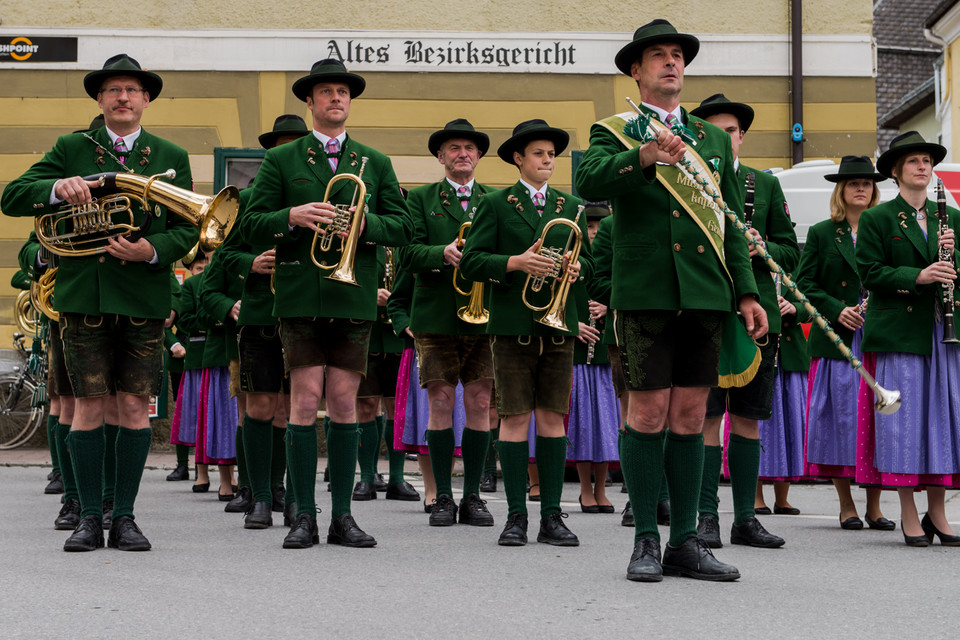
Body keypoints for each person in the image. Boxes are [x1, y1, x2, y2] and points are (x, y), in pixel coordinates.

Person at [575, 20, 765, 582]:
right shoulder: (615, 130)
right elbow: (588, 180)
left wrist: (747, 292)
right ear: (636, 70)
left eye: (677, 55)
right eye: (657, 56)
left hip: (706, 294)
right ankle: (645, 541)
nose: (670, 63)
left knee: (690, 415)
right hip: (646, 293)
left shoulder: (710, 138)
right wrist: (645, 157)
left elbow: (730, 221)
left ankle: (686, 541)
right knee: (647, 412)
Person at [1, 53, 197, 552]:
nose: (123, 98)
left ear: (146, 99)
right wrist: (53, 189)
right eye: (113, 90)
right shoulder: (72, 147)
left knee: (134, 407)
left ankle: (125, 516)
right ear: (100, 99)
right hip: (82, 299)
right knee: (86, 408)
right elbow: (12, 196)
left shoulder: (170, 154)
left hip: (143, 300)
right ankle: (88, 516)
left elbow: (188, 227)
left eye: (132, 90)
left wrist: (152, 249)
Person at [242, 59, 413, 549]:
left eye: (343, 91)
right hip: (298, 295)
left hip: (354, 295)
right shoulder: (282, 160)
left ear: (349, 101)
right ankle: (304, 515)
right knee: (303, 402)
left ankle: (342, 516)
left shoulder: (374, 162)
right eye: (326, 92)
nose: (336, 98)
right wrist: (291, 216)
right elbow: (251, 224)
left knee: (343, 403)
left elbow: (402, 227)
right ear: (311, 102)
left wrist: (365, 225)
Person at [460, 118, 593, 547]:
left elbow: (589, 265)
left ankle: (552, 515)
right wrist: (516, 263)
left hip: (559, 328)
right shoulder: (497, 204)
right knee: (514, 417)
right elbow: (472, 262)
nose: (548, 160)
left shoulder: (571, 205)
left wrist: (577, 269)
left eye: (552, 154)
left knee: (553, 419)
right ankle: (516, 514)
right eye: (539, 153)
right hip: (514, 326)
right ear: (518, 158)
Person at [689, 93, 798, 550]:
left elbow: (793, 252)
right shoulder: (688, 182)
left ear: (742, 136)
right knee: (707, 417)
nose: (725, 138)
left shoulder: (764, 185)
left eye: (731, 130)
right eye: (715, 130)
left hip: (759, 317)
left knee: (748, 419)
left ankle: (746, 518)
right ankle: (708, 517)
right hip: (710, 311)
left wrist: (763, 248)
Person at [855, 131, 960, 547]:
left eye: (926, 161)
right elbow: (870, 273)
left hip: (942, 332)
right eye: (914, 161)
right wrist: (918, 275)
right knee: (902, 422)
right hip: (900, 331)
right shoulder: (879, 219)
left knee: (942, 419)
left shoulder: (950, 217)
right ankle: (908, 512)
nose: (923, 166)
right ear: (897, 171)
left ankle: (939, 512)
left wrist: (954, 256)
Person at [214, 114, 309, 528]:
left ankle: (281, 489)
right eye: (280, 146)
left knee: (289, 409)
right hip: (259, 313)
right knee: (259, 404)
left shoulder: (319, 195)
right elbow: (221, 256)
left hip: (304, 312)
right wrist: (250, 262)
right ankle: (258, 494)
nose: (286, 154)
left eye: (295, 146)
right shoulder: (250, 199)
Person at [400, 119, 496, 526]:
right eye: (454, 148)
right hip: (437, 314)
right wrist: (442, 252)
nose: (462, 154)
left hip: (484, 317)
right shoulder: (420, 199)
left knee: (480, 403)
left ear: (478, 156)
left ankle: (473, 494)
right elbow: (406, 253)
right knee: (439, 401)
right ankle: (440, 494)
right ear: (440, 157)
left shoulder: (495, 200)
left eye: (469, 148)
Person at [797, 156, 893, 530]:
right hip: (837, 341)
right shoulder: (823, 232)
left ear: (874, 191)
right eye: (853, 183)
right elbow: (804, 285)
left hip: (877, 336)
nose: (860, 188)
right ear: (841, 190)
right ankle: (846, 504)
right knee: (839, 421)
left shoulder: (883, 229)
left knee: (874, 420)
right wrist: (837, 310)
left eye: (866, 184)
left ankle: (875, 506)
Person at [352, 245, 420, 503]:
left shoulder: (406, 244)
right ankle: (367, 477)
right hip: (366, 332)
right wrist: (370, 294)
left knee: (395, 406)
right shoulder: (365, 240)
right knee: (367, 405)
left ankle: (397, 478)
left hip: (398, 337)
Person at [566, 203, 619, 514]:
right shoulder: (574, 260)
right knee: (584, 424)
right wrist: (575, 325)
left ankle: (602, 487)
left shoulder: (609, 258)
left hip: (604, 348)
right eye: (590, 227)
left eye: (599, 227)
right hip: (578, 352)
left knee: (606, 424)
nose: (594, 232)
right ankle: (585, 489)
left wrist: (607, 307)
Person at [753, 294, 808, 514]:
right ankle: (755, 496)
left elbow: (811, 303)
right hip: (758, 348)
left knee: (789, 422)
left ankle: (782, 497)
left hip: (791, 354)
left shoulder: (792, 266)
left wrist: (795, 308)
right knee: (757, 424)